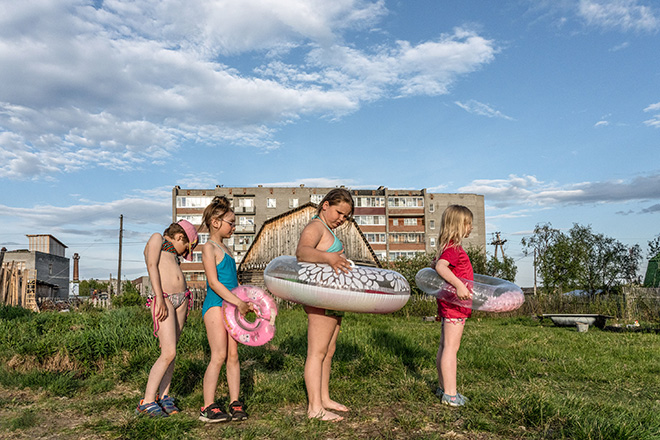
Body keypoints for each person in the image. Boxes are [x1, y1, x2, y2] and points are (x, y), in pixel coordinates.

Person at [295, 188, 354, 422]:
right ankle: (314, 408)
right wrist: (330, 258)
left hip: (333, 298)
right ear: (326, 205)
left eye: (346, 216)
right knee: (317, 352)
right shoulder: (316, 226)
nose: (342, 218)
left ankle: (324, 398)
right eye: (339, 212)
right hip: (320, 297)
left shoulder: (327, 229)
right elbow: (302, 252)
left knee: (329, 352)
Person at [136, 220, 198, 417]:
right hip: (164, 299)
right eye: (186, 248)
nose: (184, 253)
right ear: (180, 237)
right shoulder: (157, 239)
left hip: (181, 300)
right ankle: (146, 401)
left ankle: (164, 397)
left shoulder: (172, 253)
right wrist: (160, 297)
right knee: (168, 352)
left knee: (172, 352)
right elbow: (152, 266)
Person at [199, 196, 253, 423]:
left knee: (233, 355)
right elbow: (214, 282)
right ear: (215, 222)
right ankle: (208, 406)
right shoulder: (208, 247)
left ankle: (234, 401)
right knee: (219, 355)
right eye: (231, 222)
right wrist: (237, 302)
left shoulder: (228, 250)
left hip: (233, 306)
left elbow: (234, 283)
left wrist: (245, 302)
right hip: (215, 305)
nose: (234, 227)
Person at [433, 205, 474, 407]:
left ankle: (443, 388)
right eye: (468, 224)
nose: (471, 228)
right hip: (455, 306)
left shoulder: (447, 247)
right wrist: (459, 285)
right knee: (451, 348)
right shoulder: (453, 249)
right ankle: (450, 394)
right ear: (458, 225)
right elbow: (441, 267)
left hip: (450, 306)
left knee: (444, 346)